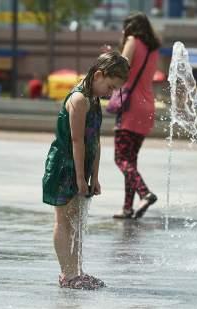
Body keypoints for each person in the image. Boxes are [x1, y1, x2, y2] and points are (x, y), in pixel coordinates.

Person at [42, 51, 130, 289]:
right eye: (110, 87)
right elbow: (77, 141)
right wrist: (81, 177)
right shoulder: (80, 99)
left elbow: (96, 140)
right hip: (64, 165)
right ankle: (67, 275)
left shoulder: (93, 99)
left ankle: (77, 271)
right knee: (64, 220)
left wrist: (96, 175)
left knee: (78, 219)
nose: (110, 93)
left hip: (81, 164)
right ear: (99, 75)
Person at [112, 12, 161, 219]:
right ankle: (127, 208)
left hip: (130, 105)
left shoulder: (132, 41)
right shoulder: (153, 49)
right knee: (131, 160)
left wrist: (110, 57)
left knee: (121, 158)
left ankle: (145, 193)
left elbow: (122, 69)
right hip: (147, 105)